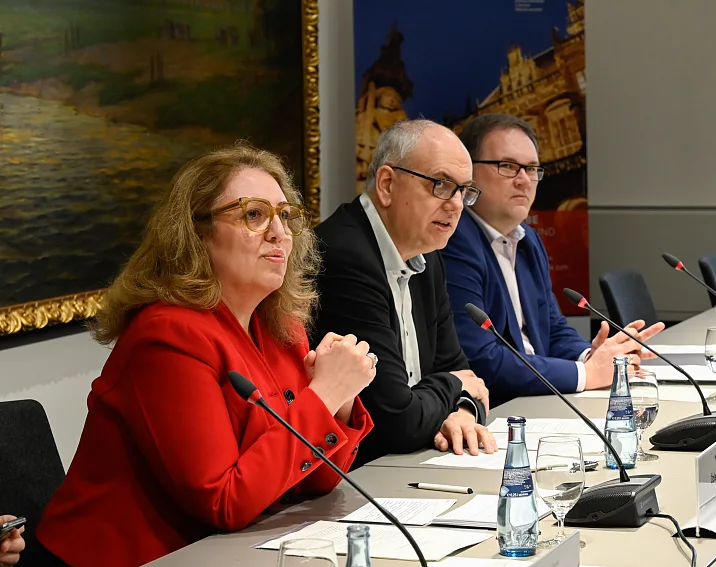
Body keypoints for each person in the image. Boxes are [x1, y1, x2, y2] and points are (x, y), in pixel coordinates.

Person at [36, 143, 375, 567]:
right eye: (254, 214)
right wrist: (324, 395)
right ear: (197, 233)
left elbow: (314, 480)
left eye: (285, 215)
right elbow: (223, 501)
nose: (279, 232)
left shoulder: (282, 327)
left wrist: (340, 400)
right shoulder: (167, 337)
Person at [442, 114, 665, 406]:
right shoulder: (454, 241)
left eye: (532, 168)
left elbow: (553, 328)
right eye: (507, 166)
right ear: (469, 174)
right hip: (496, 409)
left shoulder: (528, 240)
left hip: (540, 398)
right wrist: (586, 374)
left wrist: (593, 356)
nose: (524, 180)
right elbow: (481, 360)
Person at [313, 119, 498, 465]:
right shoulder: (345, 257)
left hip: (413, 461)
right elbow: (395, 420)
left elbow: (462, 372)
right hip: (361, 474)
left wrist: (461, 413)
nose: (457, 204)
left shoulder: (427, 254)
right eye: (441, 185)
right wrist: (453, 386)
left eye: (464, 191)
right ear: (387, 184)